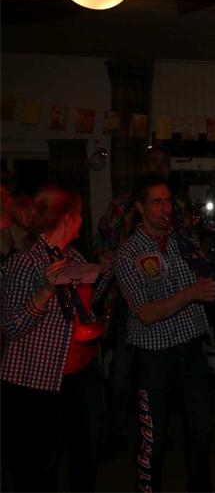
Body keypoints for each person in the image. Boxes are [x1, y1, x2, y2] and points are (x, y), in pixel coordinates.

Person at [1, 185, 112, 492]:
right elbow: (12, 326)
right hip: (35, 382)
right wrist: (46, 290)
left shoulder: (73, 255)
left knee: (85, 458)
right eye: (79, 214)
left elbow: (83, 307)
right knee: (37, 470)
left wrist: (104, 273)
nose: (82, 221)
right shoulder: (25, 262)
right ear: (66, 219)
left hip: (79, 374)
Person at [113, 172, 215, 492]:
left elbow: (202, 284)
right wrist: (192, 293)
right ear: (139, 207)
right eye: (156, 202)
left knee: (201, 432)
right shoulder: (128, 254)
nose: (165, 208)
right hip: (154, 358)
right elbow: (146, 314)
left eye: (168, 201)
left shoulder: (182, 241)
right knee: (153, 440)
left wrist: (210, 282)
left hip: (191, 350)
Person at [95, 146, 186, 457]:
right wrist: (104, 255)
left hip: (167, 300)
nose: (160, 166)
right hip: (128, 300)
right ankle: (117, 432)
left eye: (165, 161)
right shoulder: (122, 204)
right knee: (121, 371)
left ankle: (156, 430)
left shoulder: (178, 206)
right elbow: (102, 241)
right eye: (154, 161)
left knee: (164, 372)